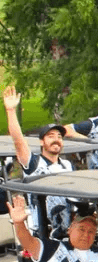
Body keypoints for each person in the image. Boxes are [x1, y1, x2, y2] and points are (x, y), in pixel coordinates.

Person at [4, 85, 75, 232]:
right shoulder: (33, 162)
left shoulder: (67, 165)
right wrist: (11, 111)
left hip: (67, 229)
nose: (56, 140)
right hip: (42, 230)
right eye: (50, 136)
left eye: (59, 136)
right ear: (42, 142)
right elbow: (18, 140)